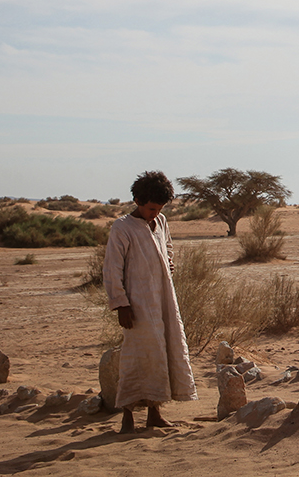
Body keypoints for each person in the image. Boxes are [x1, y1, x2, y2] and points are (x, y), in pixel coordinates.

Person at [103, 171, 196, 432]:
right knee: (137, 355)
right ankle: (128, 415)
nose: (155, 213)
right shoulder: (122, 228)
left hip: (163, 299)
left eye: (159, 209)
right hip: (137, 304)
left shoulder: (162, 221)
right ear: (137, 200)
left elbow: (167, 247)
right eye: (151, 208)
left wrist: (169, 265)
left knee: (162, 352)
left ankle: (155, 412)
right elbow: (112, 269)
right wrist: (121, 304)